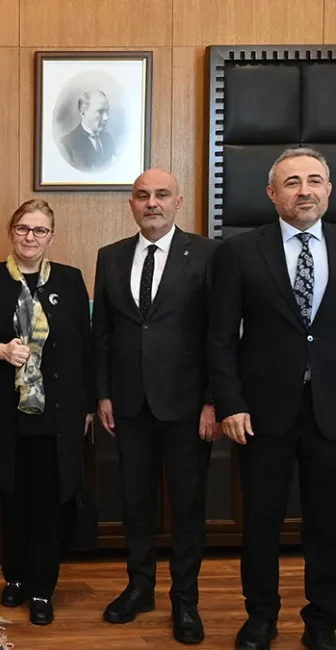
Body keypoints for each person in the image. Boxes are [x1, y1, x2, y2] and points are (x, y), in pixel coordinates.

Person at [209, 147, 336, 650]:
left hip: (331, 411)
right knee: (261, 521)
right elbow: (219, 338)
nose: (304, 190)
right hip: (261, 413)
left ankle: (323, 620)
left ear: (328, 188)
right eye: (292, 182)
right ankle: (260, 618)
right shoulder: (239, 252)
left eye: (314, 180)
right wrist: (230, 403)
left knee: (328, 523)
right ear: (271, 193)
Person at [92, 168, 219, 645]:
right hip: (128, 403)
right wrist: (103, 393)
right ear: (131, 204)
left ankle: (185, 599)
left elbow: (218, 334)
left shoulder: (208, 255)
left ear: (178, 201)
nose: (152, 203)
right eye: (142, 196)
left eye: (161, 195)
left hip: (189, 408)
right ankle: (139, 586)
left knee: (187, 506)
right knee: (135, 501)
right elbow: (100, 334)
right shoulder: (111, 256)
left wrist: (213, 402)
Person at [0, 199, 94, 626]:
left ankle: (42, 588)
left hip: (57, 416)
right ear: (11, 231)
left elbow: (85, 349)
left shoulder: (71, 282)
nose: (30, 237)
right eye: (23, 229)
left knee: (48, 504)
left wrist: (88, 405)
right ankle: (14, 578)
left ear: (51, 237)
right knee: (12, 502)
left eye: (39, 231)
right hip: (6, 414)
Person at [59, 90, 116, 172]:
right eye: (100, 112)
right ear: (83, 113)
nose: (105, 117)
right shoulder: (67, 144)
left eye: (107, 111)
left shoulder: (108, 139)